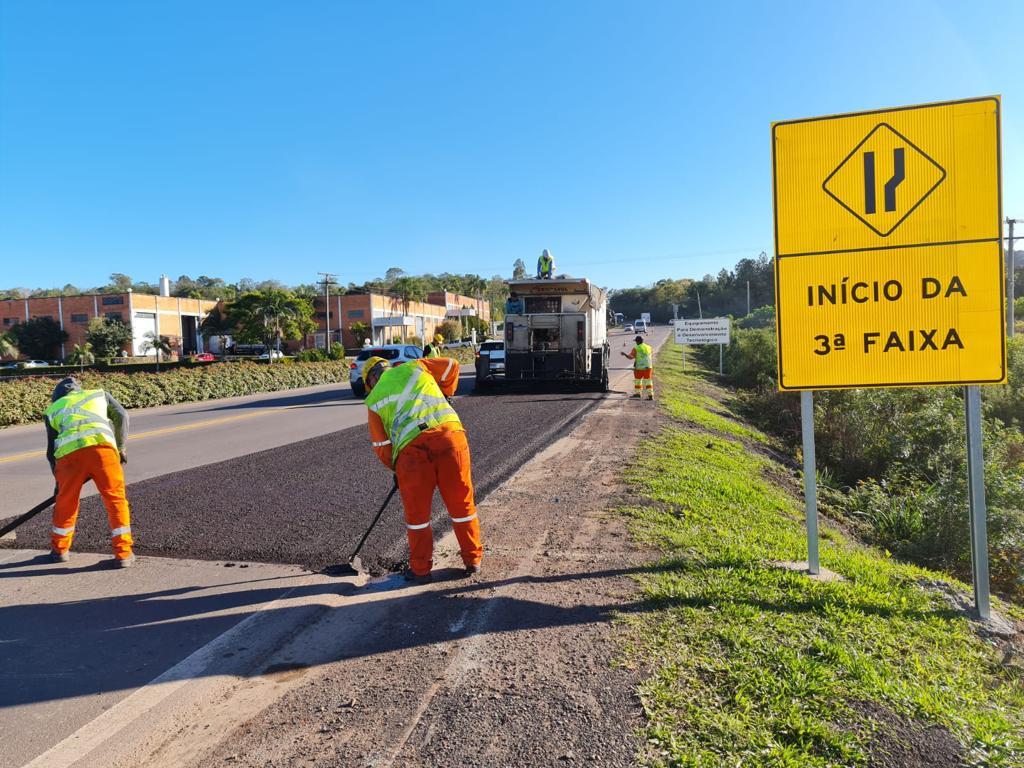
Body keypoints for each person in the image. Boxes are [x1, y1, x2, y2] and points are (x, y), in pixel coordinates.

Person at [362, 355, 483, 582]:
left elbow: (381, 447)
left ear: (371, 381)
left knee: (417, 517)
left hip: (412, 455)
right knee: (462, 505)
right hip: (450, 438)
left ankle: (420, 569)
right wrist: (447, 392)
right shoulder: (415, 366)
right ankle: (473, 559)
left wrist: (398, 469)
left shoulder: (373, 400)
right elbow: (451, 365)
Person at [43, 377, 135, 567]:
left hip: (69, 459)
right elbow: (122, 416)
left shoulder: (53, 409)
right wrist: (121, 448)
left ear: (58, 396)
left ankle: (60, 551)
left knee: (66, 503)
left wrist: (59, 484)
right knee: (115, 500)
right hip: (103, 452)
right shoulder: (99, 394)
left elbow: (51, 452)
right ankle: (123, 554)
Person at [621, 335, 654, 400]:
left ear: (638, 341)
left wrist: (624, 354)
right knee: (648, 381)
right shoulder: (649, 347)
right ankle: (650, 396)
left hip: (639, 368)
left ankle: (638, 394)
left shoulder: (636, 348)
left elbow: (630, 357)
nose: (635, 342)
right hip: (648, 367)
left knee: (638, 381)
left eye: (636, 341)